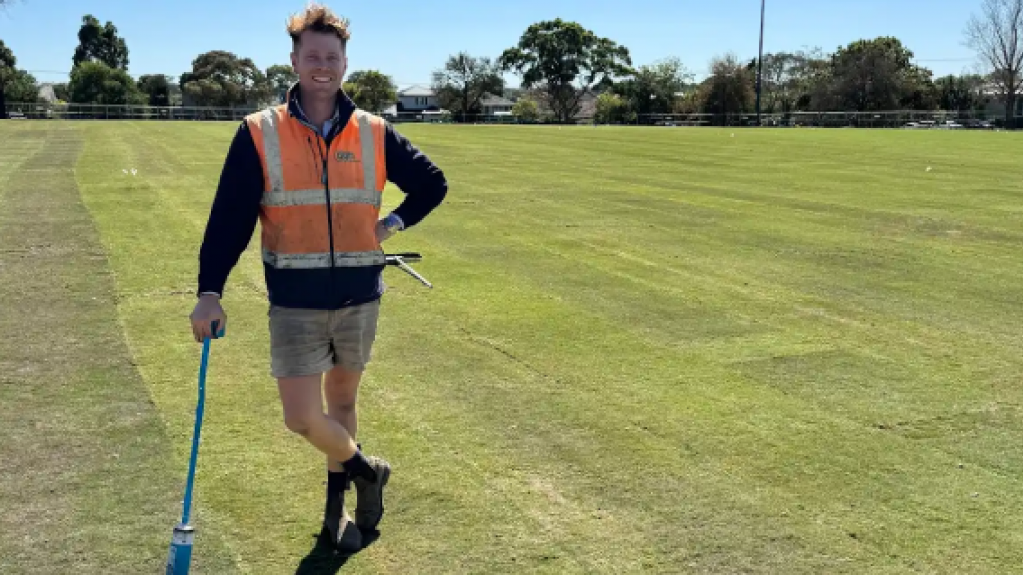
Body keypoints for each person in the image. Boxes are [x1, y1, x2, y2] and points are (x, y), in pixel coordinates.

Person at [188, 3, 448, 554]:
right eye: (313, 56)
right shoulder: (259, 133)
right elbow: (229, 219)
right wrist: (210, 292)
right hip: (295, 302)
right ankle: (367, 470)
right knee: (303, 418)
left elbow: (432, 183)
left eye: (333, 56)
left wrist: (393, 224)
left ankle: (338, 513)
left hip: (359, 296)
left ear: (345, 63)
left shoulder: (374, 131)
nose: (323, 66)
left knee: (344, 406)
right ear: (295, 61)